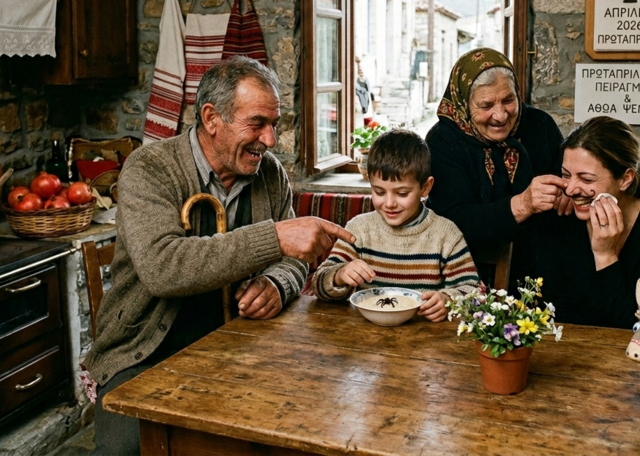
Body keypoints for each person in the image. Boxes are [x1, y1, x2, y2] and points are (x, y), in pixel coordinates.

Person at [86, 56, 355, 455]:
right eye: (257, 123)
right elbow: (163, 268)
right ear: (212, 118)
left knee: (306, 426)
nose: (269, 140)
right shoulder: (150, 168)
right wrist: (275, 239)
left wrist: (277, 283)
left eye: (274, 124)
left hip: (244, 348)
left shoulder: (270, 173)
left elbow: (295, 259)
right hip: (146, 354)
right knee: (126, 450)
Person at [425, 47, 570, 285]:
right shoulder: (443, 141)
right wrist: (523, 204)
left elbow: (567, 178)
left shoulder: (539, 125)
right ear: (464, 102)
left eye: (508, 100)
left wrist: (567, 195)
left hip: (543, 268)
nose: (501, 115)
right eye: (486, 105)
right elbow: (455, 222)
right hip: (470, 275)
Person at [530, 116, 640, 329]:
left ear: (625, 179)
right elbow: (555, 313)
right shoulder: (560, 219)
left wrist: (605, 255)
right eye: (566, 175)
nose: (570, 189)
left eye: (586, 179)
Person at [313, 129, 479, 321]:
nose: (389, 203)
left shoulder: (446, 235)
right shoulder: (359, 230)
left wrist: (447, 300)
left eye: (402, 193)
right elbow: (319, 283)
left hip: (425, 341)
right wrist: (339, 275)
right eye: (379, 192)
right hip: (363, 338)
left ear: (425, 187)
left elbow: (472, 291)